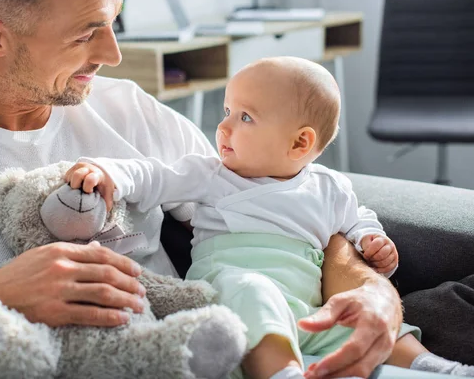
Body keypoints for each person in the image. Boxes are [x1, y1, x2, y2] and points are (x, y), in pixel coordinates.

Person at [0, 0, 412, 378]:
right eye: (87, 34)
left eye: (115, 22)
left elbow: (274, 198)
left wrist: (373, 293)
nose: (112, 54)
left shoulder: (129, 111)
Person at [68, 57, 474, 379]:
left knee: (366, 323)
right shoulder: (211, 174)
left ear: (300, 142)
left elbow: (357, 220)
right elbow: (155, 175)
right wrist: (111, 174)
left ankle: (430, 367)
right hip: (232, 289)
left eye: (244, 117)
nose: (222, 126)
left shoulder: (329, 186)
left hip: (310, 308)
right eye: (227, 111)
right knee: (252, 292)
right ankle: (281, 372)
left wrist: (372, 240)